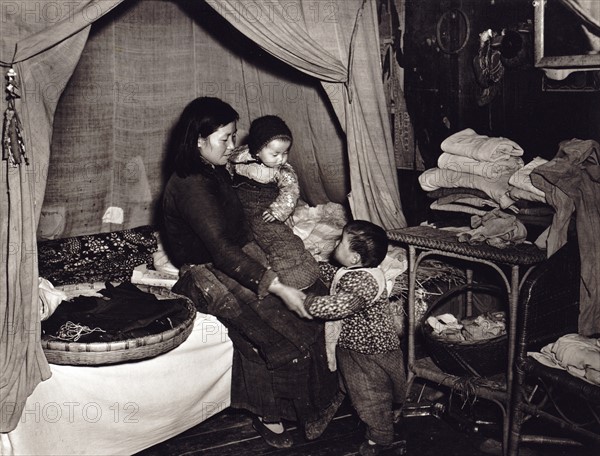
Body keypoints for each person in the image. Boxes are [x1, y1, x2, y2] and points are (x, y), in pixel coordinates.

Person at [161, 97, 342, 449]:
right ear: (199, 139)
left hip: (232, 260)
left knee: (295, 316)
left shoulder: (212, 169)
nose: (232, 146)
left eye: (233, 137)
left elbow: (238, 234)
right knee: (285, 332)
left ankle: (278, 408)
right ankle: (270, 413)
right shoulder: (191, 185)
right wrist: (277, 287)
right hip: (205, 275)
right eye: (225, 138)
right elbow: (222, 251)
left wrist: (270, 263)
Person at [303, 220, 406, 456]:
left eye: (341, 242)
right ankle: (345, 403)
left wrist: (306, 302)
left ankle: (381, 438)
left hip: (367, 349)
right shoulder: (357, 270)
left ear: (355, 259)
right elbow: (337, 276)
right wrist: (314, 264)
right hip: (356, 345)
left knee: (371, 394)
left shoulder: (364, 282)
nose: (335, 244)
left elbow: (336, 307)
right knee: (352, 383)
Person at [229, 114, 320, 290]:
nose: (281, 158)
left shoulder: (282, 171)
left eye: (285, 153)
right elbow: (227, 172)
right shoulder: (239, 159)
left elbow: (290, 192)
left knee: (277, 239)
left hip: (267, 212)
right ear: (256, 150)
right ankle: (260, 267)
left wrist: (278, 211)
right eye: (275, 154)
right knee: (242, 241)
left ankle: (294, 270)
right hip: (241, 209)